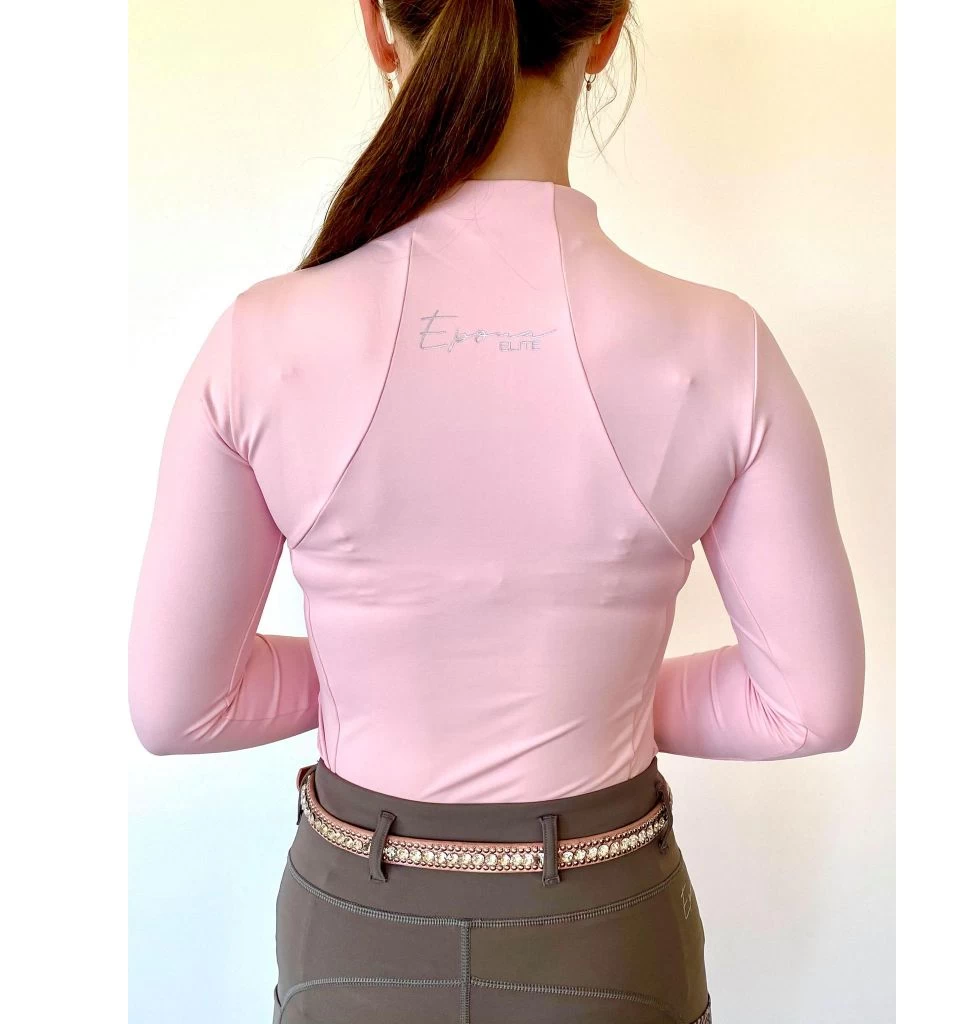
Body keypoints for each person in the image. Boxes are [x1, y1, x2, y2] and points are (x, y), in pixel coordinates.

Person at [127, 1, 866, 1021]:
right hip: (606, 929)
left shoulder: (263, 342)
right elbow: (808, 707)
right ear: (604, 33)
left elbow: (178, 707)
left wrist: (385, 671)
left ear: (378, 26)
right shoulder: (717, 349)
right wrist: (588, 688)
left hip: (356, 930)